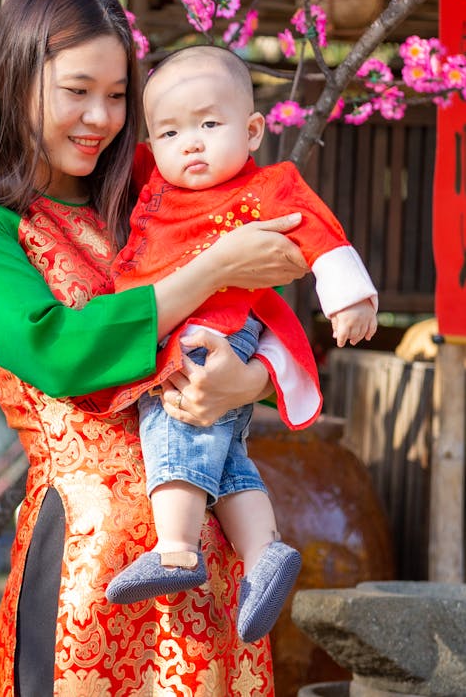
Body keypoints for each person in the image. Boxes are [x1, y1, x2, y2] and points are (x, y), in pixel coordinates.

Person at [0, 0, 311, 697]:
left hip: (210, 552)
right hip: (88, 556)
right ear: (16, 79)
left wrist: (251, 381)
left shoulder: (153, 188)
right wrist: (210, 268)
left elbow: (265, 296)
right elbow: (59, 349)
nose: (100, 117)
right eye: (78, 90)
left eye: (116, 95)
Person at [95, 45, 378, 643]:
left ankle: (175, 550)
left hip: (210, 328)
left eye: (208, 123)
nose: (189, 143)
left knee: (174, 422)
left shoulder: (268, 187)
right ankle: (263, 550)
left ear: (252, 131)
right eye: (169, 132)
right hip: (194, 324)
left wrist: (349, 296)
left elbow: (319, 232)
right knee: (225, 459)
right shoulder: (160, 183)